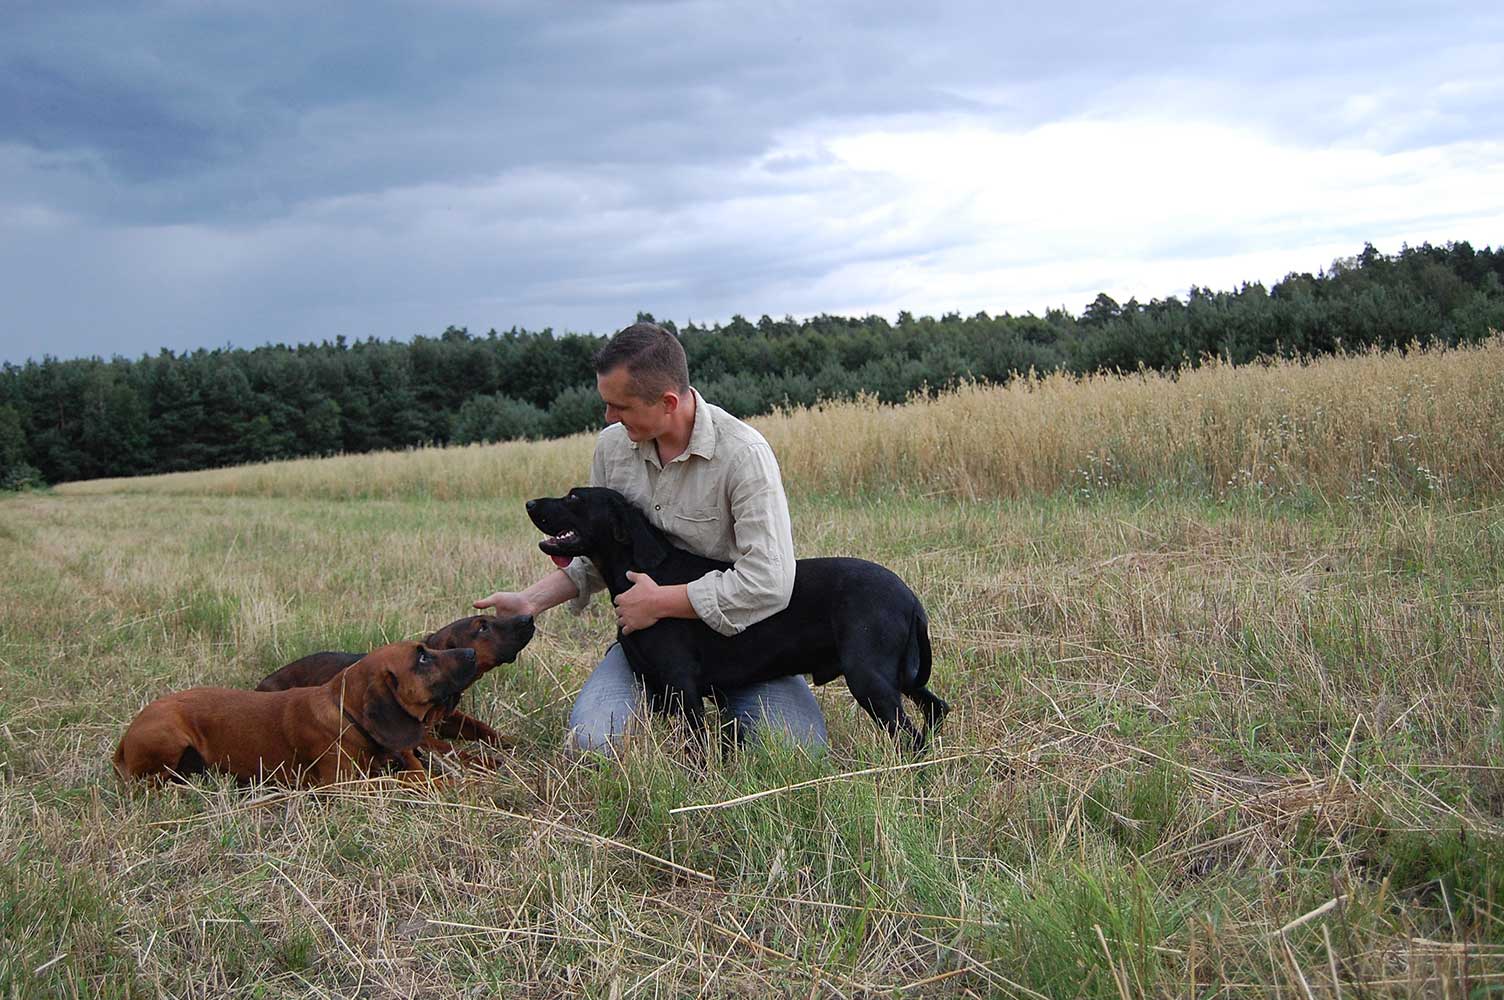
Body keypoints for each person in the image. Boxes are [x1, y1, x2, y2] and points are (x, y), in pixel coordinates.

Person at [474, 321, 828, 753]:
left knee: (796, 749)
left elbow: (769, 580)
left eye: (619, 406)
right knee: (592, 744)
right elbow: (600, 550)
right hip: (651, 644)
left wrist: (661, 602)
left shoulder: (744, 455)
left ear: (668, 402)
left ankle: (726, 708)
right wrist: (530, 601)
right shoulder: (612, 447)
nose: (609, 417)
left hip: (746, 644)